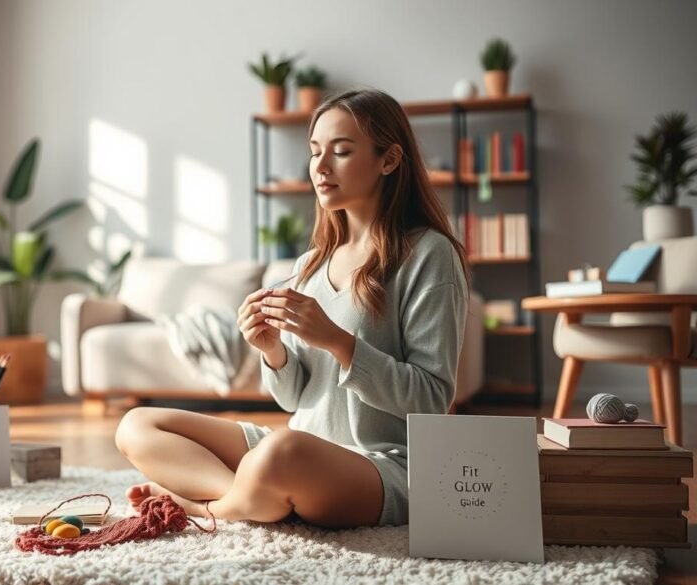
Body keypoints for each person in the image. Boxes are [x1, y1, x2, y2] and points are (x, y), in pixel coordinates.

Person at [114, 88, 468, 528]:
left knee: (281, 452)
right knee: (138, 424)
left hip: (382, 464)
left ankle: (205, 506)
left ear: (389, 160)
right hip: (300, 449)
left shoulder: (429, 255)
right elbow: (293, 399)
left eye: (340, 151)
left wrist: (339, 343)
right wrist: (272, 351)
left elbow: (433, 400)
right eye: (315, 151)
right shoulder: (310, 264)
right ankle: (254, 497)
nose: (319, 168)